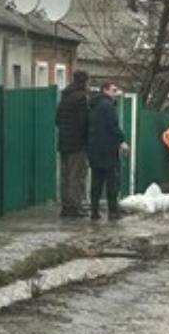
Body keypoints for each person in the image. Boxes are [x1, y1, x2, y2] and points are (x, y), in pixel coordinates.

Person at [87, 81, 129, 221]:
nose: (115, 93)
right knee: (112, 181)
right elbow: (113, 126)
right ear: (105, 90)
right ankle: (113, 212)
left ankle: (94, 211)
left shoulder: (94, 105)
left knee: (96, 181)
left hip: (94, 148)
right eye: (113, 90)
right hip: (108, 149)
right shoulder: (108, 106)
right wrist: (122, 141)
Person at [54, 69, 90, 217]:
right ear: (84, 81)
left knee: (66, 175)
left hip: (64, 142)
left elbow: (57, 119)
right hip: (77, 143)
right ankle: (75, 207)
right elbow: (84, 122)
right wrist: (86, 138)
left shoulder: (65, 96)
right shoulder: (81, 97)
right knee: (77, 175)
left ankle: (66, 206)